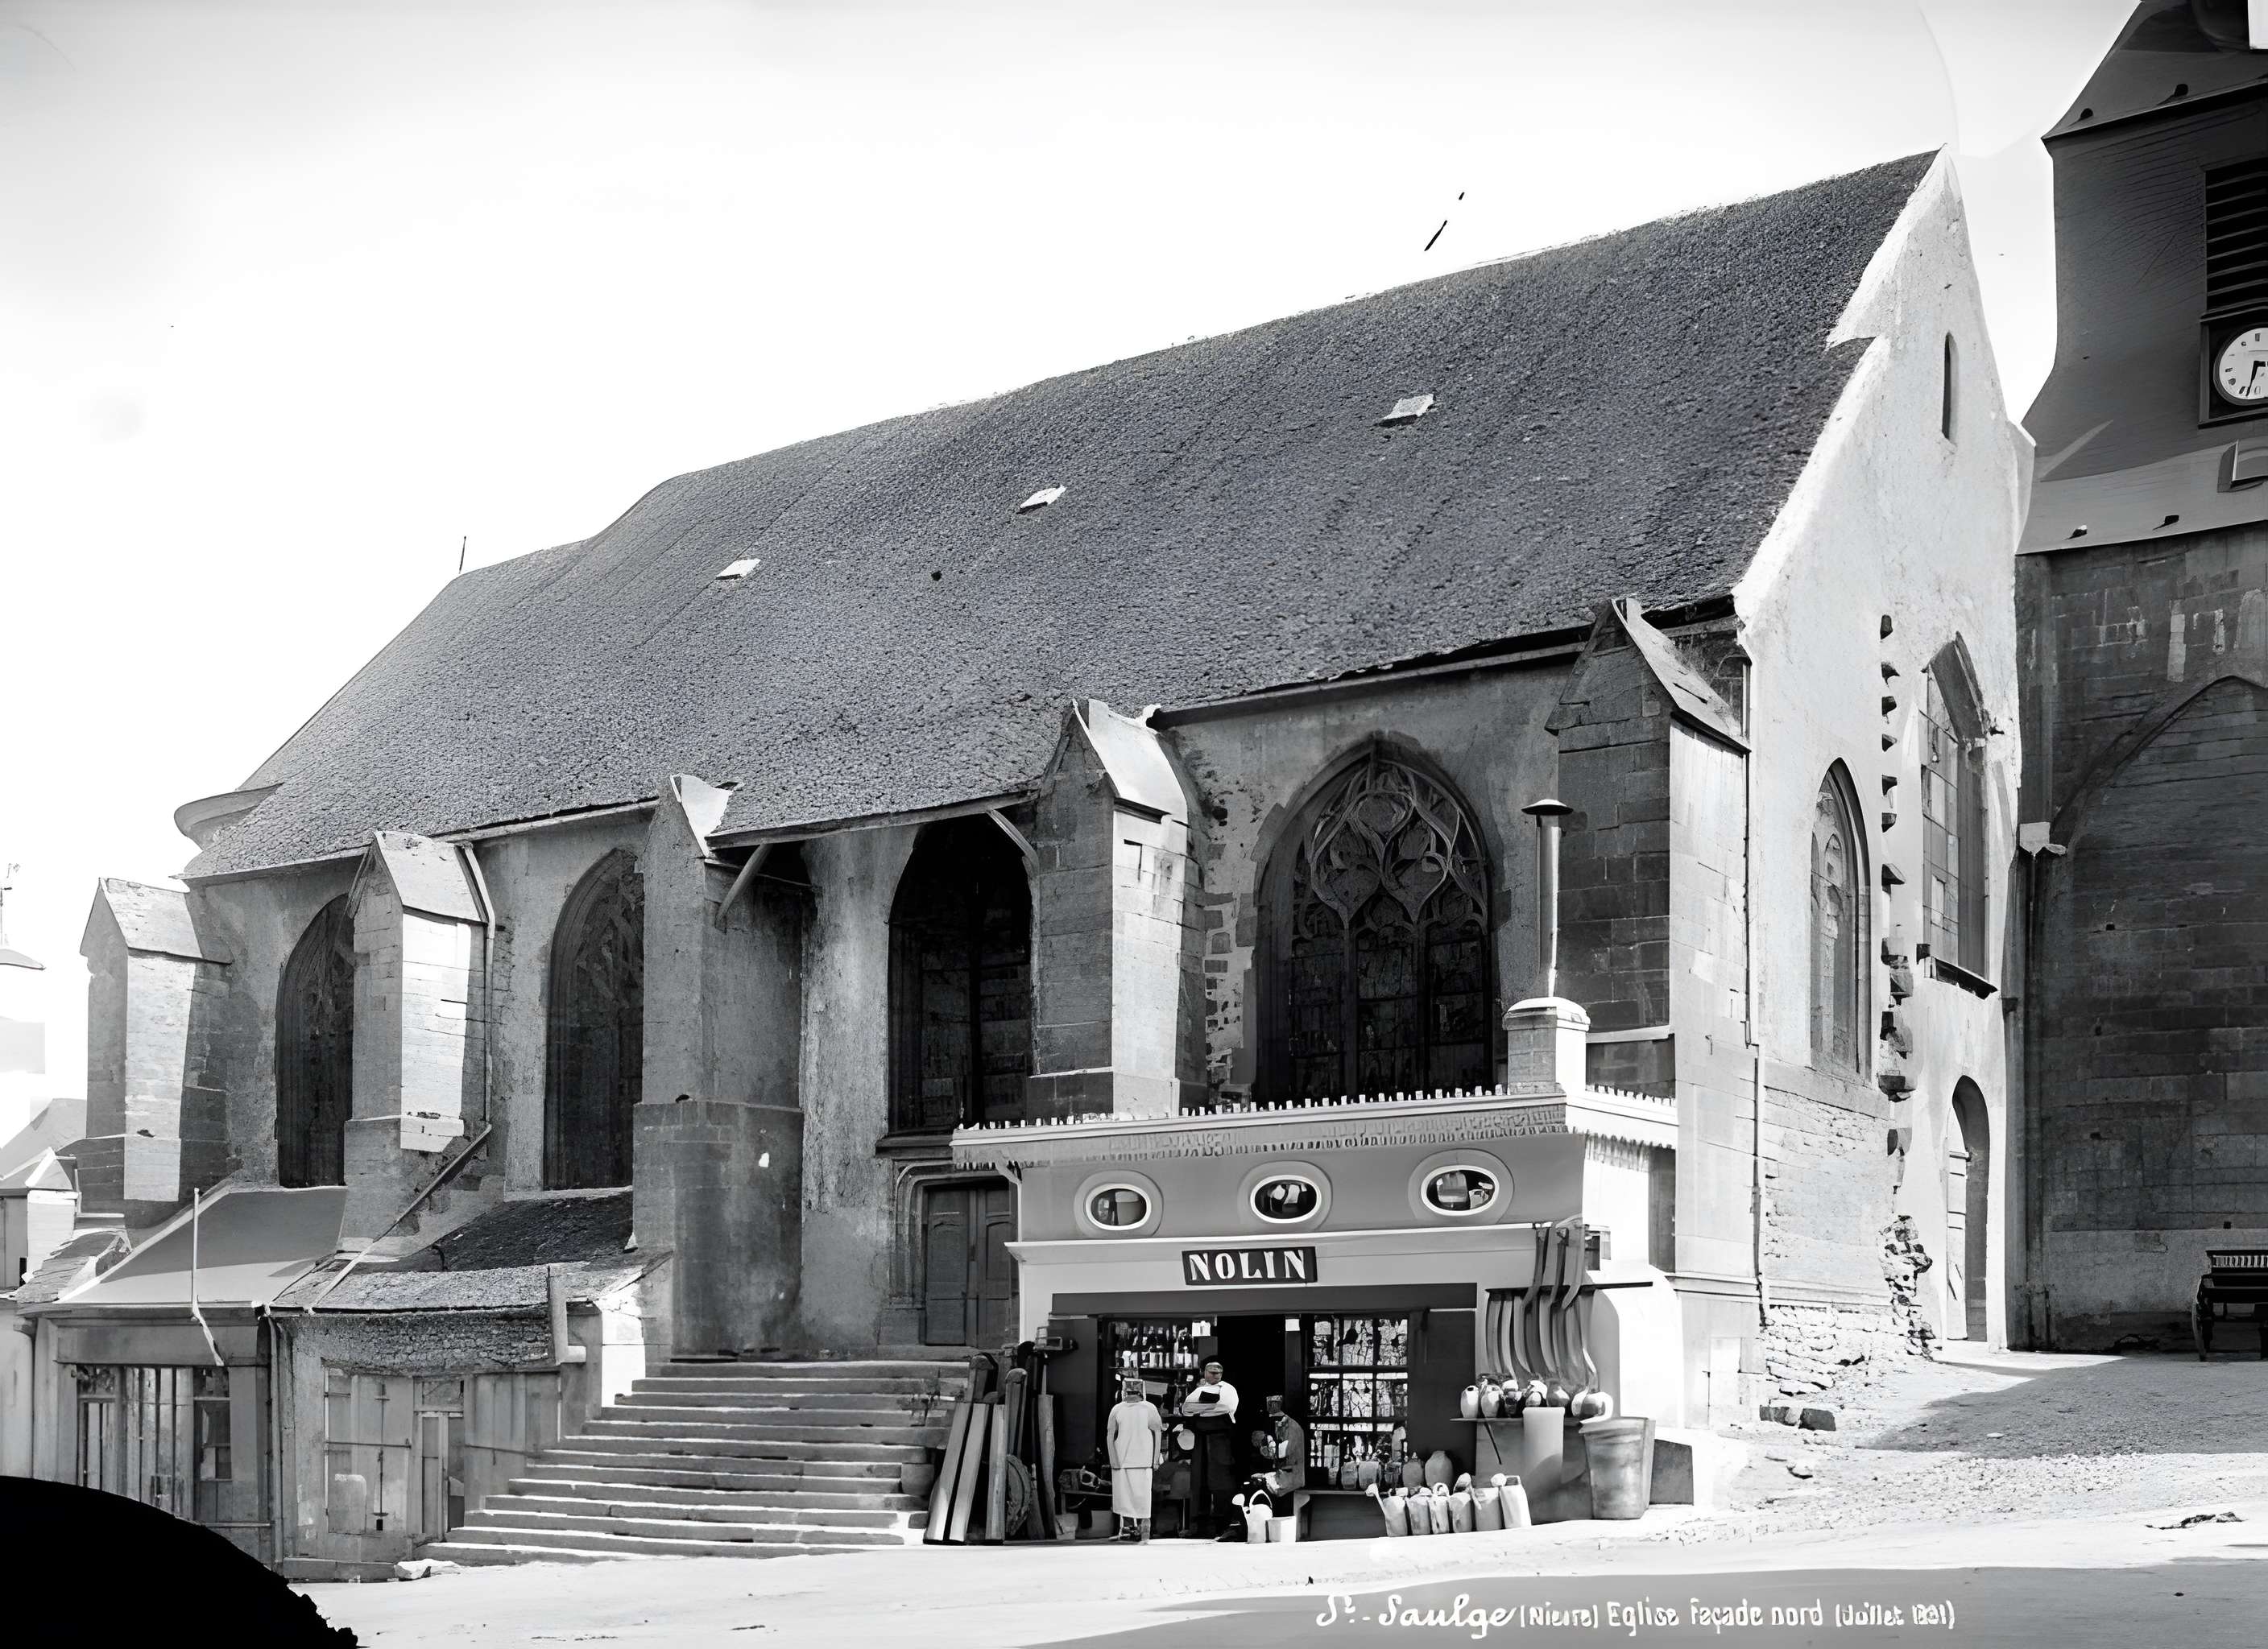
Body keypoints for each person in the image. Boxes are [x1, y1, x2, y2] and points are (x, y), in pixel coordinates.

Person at [1177, 1358, 1239, 1536]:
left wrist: (1201, 1409)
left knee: (1221, 1483)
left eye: (1218, 1372)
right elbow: (1187, 1408)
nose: (1215, 1375)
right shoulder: (1198, 1390)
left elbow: (1225, 1406)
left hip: (1221, 1440)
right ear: (1204, 1372)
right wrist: (1211, 1407)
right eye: (1212, 1372)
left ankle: (1223, 1526)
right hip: (1201, 1440)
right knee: (1200, 1482)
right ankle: (1199, 1527)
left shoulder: (1228, 1389)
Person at [1105, 1372, 1164, 1544]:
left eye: (1134, 1392)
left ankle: (1144, 1531)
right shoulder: (1117, 1409)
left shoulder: (1149, 1408)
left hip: (1143, 1460)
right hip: (1122, 1460)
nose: (1131, 1395)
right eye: (1129, 1392)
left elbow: (1158, 1433)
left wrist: (1155, 1460)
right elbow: (1110, 1435)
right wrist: (1113, 1459)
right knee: (1123, 1497)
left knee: (1143, 1497)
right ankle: (1128, 1530)